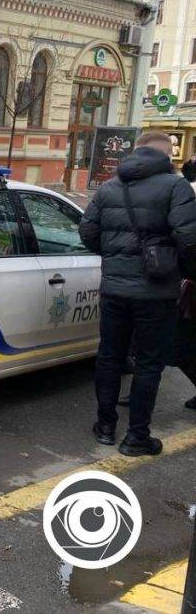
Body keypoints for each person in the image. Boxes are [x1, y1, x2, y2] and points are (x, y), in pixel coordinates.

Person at [80, 131, 196, 456]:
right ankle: (136, 437)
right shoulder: (176, 187)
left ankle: (105, 427)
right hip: (156, 294)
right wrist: (182, 271)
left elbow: (87, 231)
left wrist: (115, 256)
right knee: (148, 365)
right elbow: (189, 239)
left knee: (110, 357)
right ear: (165, 155)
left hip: (114, 289)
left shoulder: (109, 186)